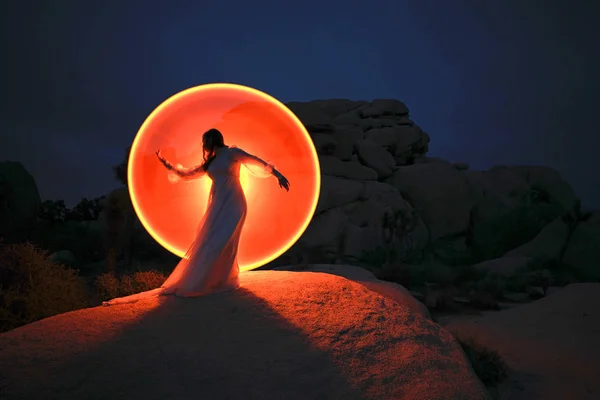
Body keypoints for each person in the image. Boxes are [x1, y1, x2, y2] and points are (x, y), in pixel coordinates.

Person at [103, 128, 290, 305]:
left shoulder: (232, 153)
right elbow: (188, 174)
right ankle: (213, 279)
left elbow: (254, 160)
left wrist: (278, 175)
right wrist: (166, 164)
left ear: (213, 139)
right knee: (210, 239)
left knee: (225, 239)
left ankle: (221, 279)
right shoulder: (210, 162)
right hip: (217, 203)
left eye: (205, 140)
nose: (203, 144)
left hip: (234, 202)